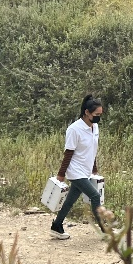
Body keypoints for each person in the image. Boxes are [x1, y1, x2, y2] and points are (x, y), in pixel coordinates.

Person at [50, 95, 105, 240]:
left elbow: (92, 149)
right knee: (95, 196)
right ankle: (104, 230)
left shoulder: (95, 127)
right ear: (87, 112)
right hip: (75, 171)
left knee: (70, 200)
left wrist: (94, 168)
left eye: (100, 115)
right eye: (96, 115)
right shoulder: (74, 129)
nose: (98, 118)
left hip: (85, 170)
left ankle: (57, 225)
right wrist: (61, 174)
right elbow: (68, 153)